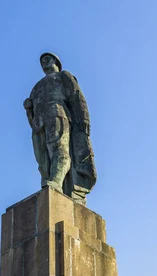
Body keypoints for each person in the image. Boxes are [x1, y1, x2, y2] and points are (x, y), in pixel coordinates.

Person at [24, 52, 97, 204]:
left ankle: (56, 182)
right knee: (42, 157)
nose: (44, 62)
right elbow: (31, 118)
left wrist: (84, 118)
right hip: (39, 121)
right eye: (42, 61)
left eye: (48, 59)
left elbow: (77, 96)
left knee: (59, 148)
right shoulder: (36, 87)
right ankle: (49, 182)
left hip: (57, 112)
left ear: (57, 62)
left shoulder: (64, 76)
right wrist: (28, 110)